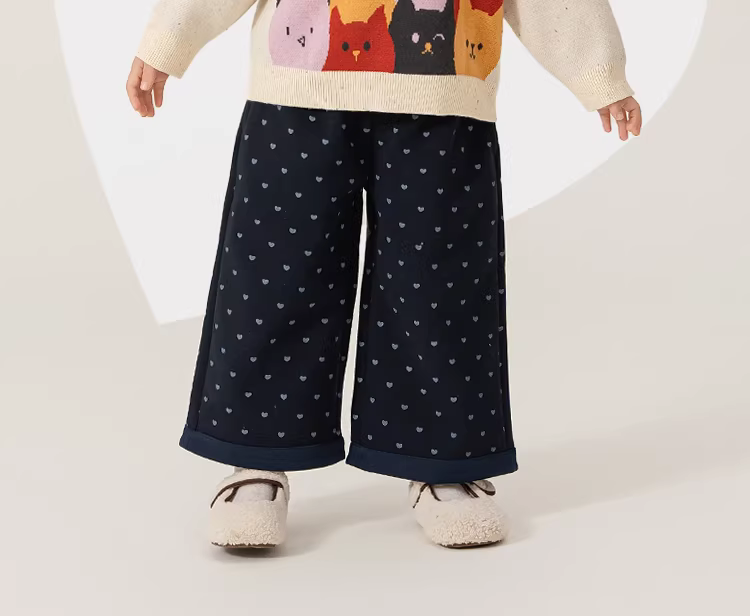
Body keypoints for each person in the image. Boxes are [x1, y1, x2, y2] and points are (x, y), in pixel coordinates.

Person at [126, 0, 641, 549]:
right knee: (276, 281)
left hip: (445, 91)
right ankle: (256, 456)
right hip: (297, 87)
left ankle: (442, 460)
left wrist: (598, 70)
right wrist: (169, 38)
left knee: (439, 289)